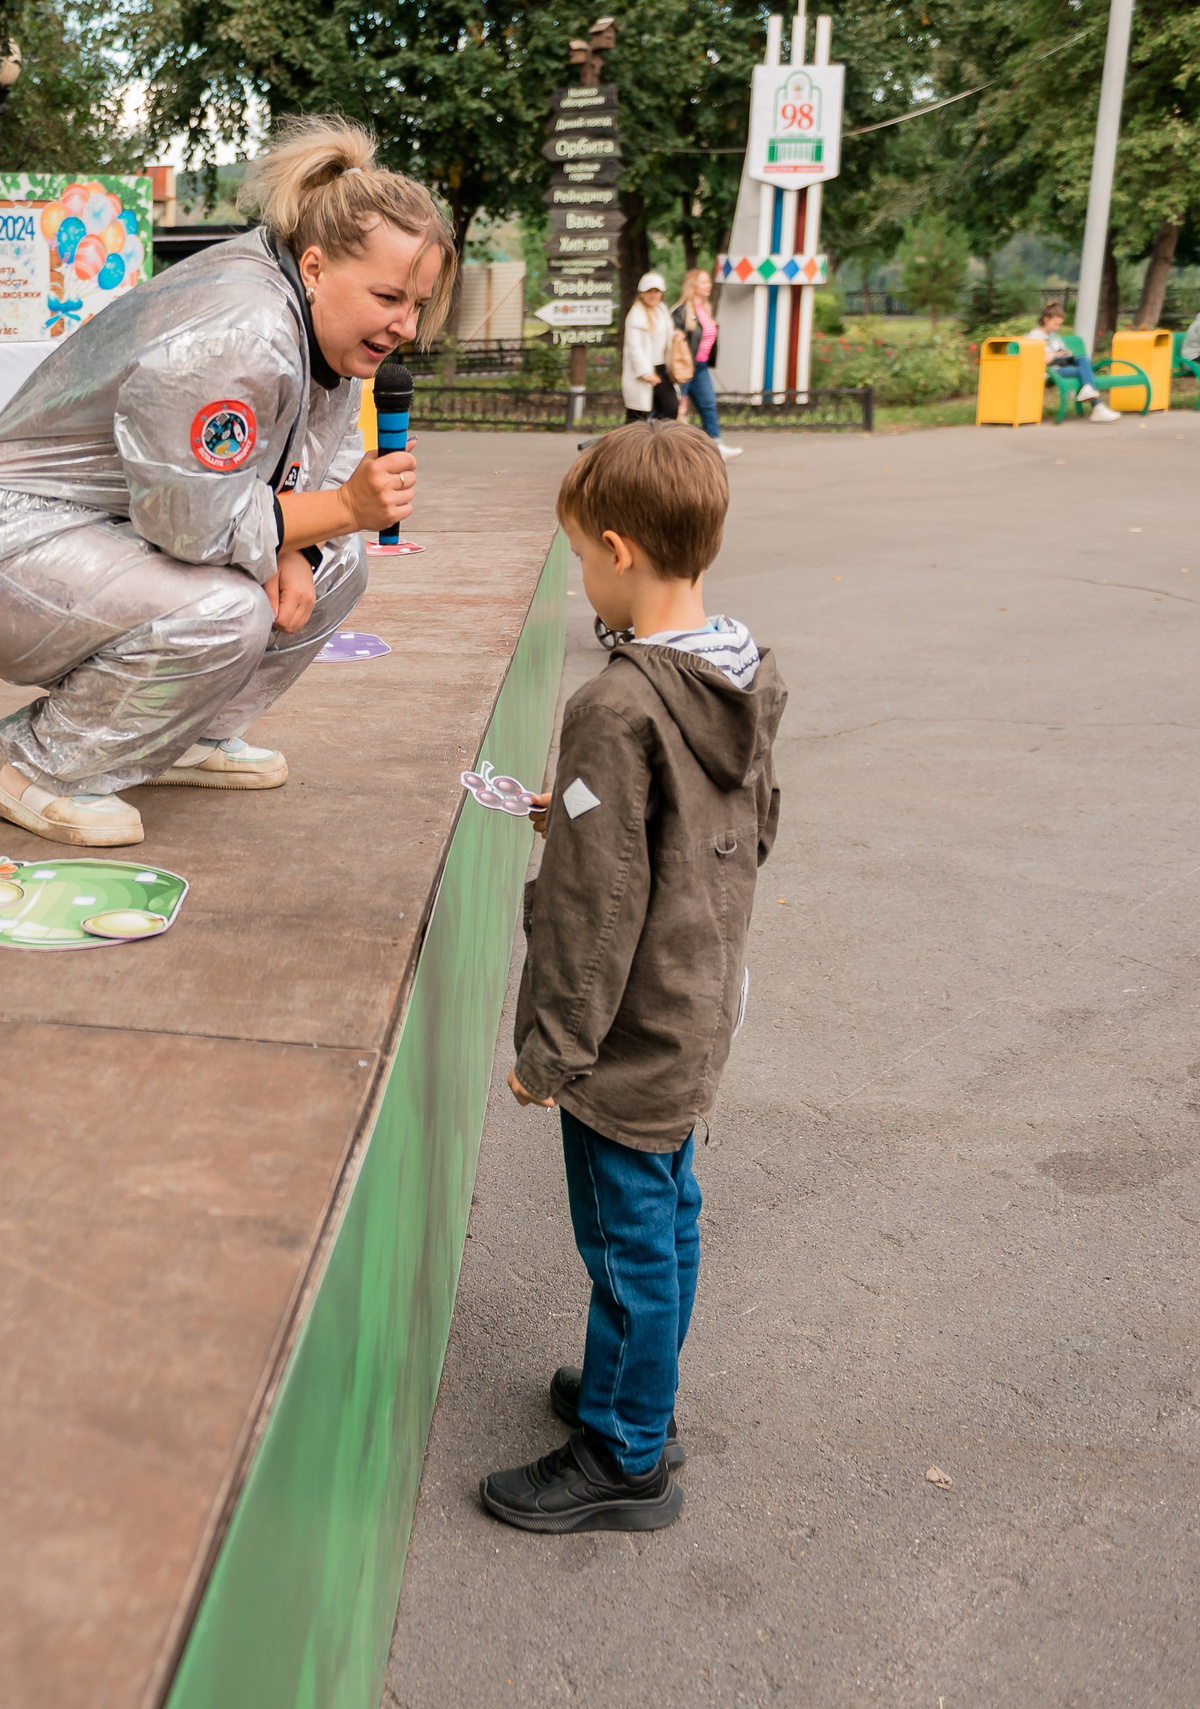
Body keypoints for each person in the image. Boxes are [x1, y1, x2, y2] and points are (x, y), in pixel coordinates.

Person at [0, 115, 453, 846]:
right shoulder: (242, 332)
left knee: (338, 565)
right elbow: (194, 525)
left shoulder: (315, 322)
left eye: (417, 305)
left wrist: (305, 544)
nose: (406, 327)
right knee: (226, 607)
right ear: (318, 266)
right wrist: (344, 507)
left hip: (113, 530)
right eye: (390, 298)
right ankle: (51, 770)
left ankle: (182, 736)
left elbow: (308, 460)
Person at [479, 421, 786, 1535]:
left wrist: (548, 1051)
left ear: (617, 548)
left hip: (629, 1026)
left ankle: (624, 1451)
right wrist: (570, 810)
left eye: (577, 555)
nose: (577, 575)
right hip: (700, 998)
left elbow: (590, 908)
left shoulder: (617, 707)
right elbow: (736, 831)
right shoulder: (741, 672)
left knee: (626, 1239)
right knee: (666, 1216)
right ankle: (630, 1394)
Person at [668, 269, 740, 459]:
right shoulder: (681, 311)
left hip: (700, 367)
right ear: (693, 286)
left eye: (708, 282)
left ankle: (715, 445)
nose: (708, 285)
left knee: (708, 404)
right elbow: (674, 339)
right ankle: (669, 447)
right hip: (684, 368)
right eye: (704, 282)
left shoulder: (706, 309)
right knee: (678, 408)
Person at [1031, 303, 1120, 422]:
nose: (1057, 327)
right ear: (1046, 319)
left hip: (1062, 365)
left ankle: (1091, 395)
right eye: (1055, 324)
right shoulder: (1034, 336)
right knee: (1083, 371)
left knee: (1083, 359)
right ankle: (1097, 406)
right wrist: (1054, 355)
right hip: (1049, 371)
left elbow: (1063, 352)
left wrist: (1065, 353)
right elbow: (1036, 360)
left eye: (1059, 325)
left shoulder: (1054, 336)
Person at [621, 272, 676, 424]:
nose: (653, 295)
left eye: (656, 291)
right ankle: (629, 447)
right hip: (643, 371)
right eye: (649, 291)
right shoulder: (636, 315)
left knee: (670, 408)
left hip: (661, 368)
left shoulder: (662, 310)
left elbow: (665, 334)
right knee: (637, 415)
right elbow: (634, 346)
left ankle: (659, 444)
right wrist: (645, 373)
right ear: (641, 293)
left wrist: (676, 336)